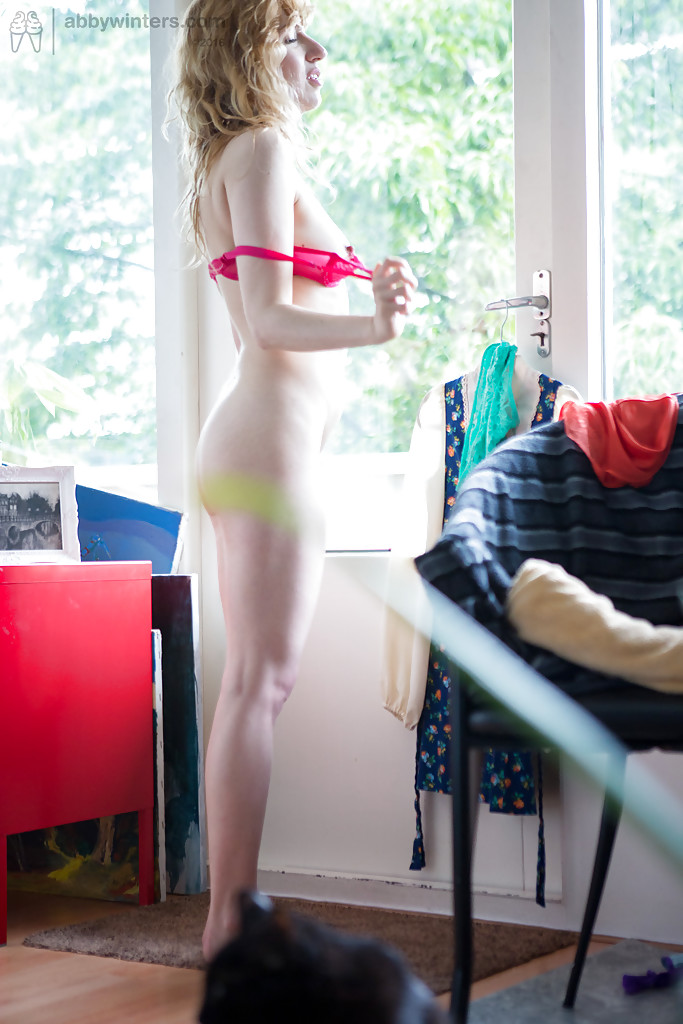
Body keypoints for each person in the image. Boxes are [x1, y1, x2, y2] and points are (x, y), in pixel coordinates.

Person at [170, 0, 417, 960]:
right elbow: (271, 321)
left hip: (256, 442)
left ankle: (231, 918)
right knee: (259, 684)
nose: (317, 51)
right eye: (290, 36)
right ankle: (231, 924)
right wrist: (375, 325)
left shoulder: (234, 159)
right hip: (266, 443)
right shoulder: (262, 150)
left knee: (255, 684)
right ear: (246, 53)